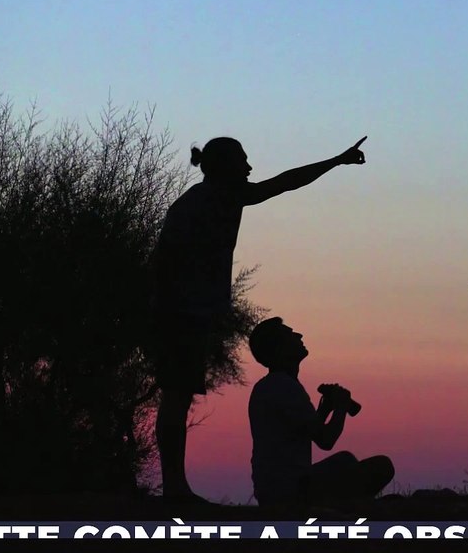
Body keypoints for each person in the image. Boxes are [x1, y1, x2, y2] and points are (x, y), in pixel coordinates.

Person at [149, 135, 367, 501]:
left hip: (181, 311)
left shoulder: (207, 200)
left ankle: (175, 487)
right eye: (243, 162)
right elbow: (285, 182)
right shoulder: (214, 198)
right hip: (179, 312)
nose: (249, 169)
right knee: (176, 398)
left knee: (178, 396)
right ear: (224, 167)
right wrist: (336, 160)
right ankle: (175, 489)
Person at [247, 317, 394, 507]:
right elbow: (326, 440)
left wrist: (325, 409)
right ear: (279, 349)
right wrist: (340, 407)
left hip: (276, 489)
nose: (298, 335)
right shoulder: (283, 386)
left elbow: (309, 430)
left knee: (345, 460)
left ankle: (346, 506)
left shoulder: (275, 385)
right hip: (290, 491)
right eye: (289, 334)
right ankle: (347, 509)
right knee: (382, 466)